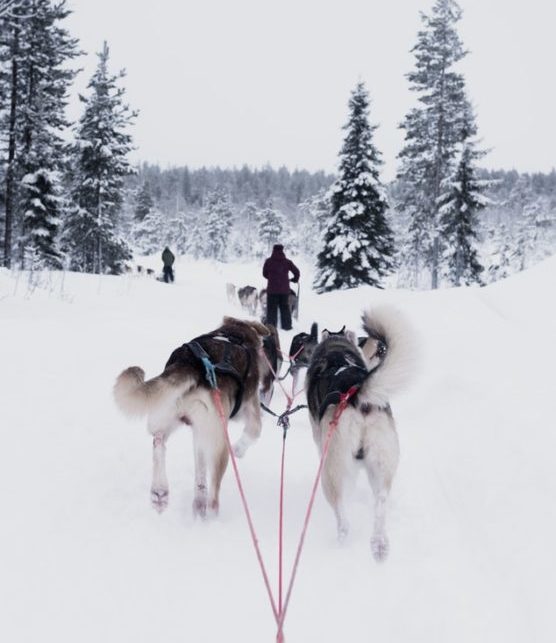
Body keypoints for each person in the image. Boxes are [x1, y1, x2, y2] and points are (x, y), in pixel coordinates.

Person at [262, 244, 300, 330]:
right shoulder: (287, 262)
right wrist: (294, 279)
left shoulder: (268, 261)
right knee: (285, 308)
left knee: (271, 309)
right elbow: (296, 272)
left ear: (273, 250)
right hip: (284, 290)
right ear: (282, 251)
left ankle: (271, 327)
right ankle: (287, 326)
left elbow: (264, 273)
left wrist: (271, 278)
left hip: (272, 290)